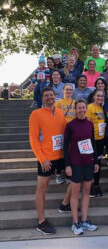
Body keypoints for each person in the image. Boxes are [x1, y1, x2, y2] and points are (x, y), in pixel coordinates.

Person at [29, 87, 66, 234]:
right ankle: (41, 222)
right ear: (42, 98)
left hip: (62, 156)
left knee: (77, 180)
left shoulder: (60, 112)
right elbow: (33, 139)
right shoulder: (36, 114)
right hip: (46, 159)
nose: (49, 97)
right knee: (42, 189)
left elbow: (66, 132)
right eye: (46, 95)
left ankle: (65, 204)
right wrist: (42, 159)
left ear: (55, 96)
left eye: (51, 95)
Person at [64, 99, 99, 234]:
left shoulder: (90, 124)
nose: (82, 110)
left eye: (83, 108)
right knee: (75, 193)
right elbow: (65, 147)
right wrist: (67, 165)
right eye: (79, 108)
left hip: (88, 162)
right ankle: (75, 222)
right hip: (76, 163)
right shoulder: (70, 125)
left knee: (86, 192)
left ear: (86, 108)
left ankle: (84, 220)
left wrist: (95, 161)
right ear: (75, 109)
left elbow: (93, 144)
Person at [86, 89, 105, 197]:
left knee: (98, 163)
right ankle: (91, 187)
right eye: (98, 96)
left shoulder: (102, 107)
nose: (100, 98)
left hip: (101, 140)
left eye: (102, 96)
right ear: (94, 96)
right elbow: (87, 124)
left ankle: (96, 186)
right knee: (93, 164)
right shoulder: (89, 107)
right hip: (92, 140)